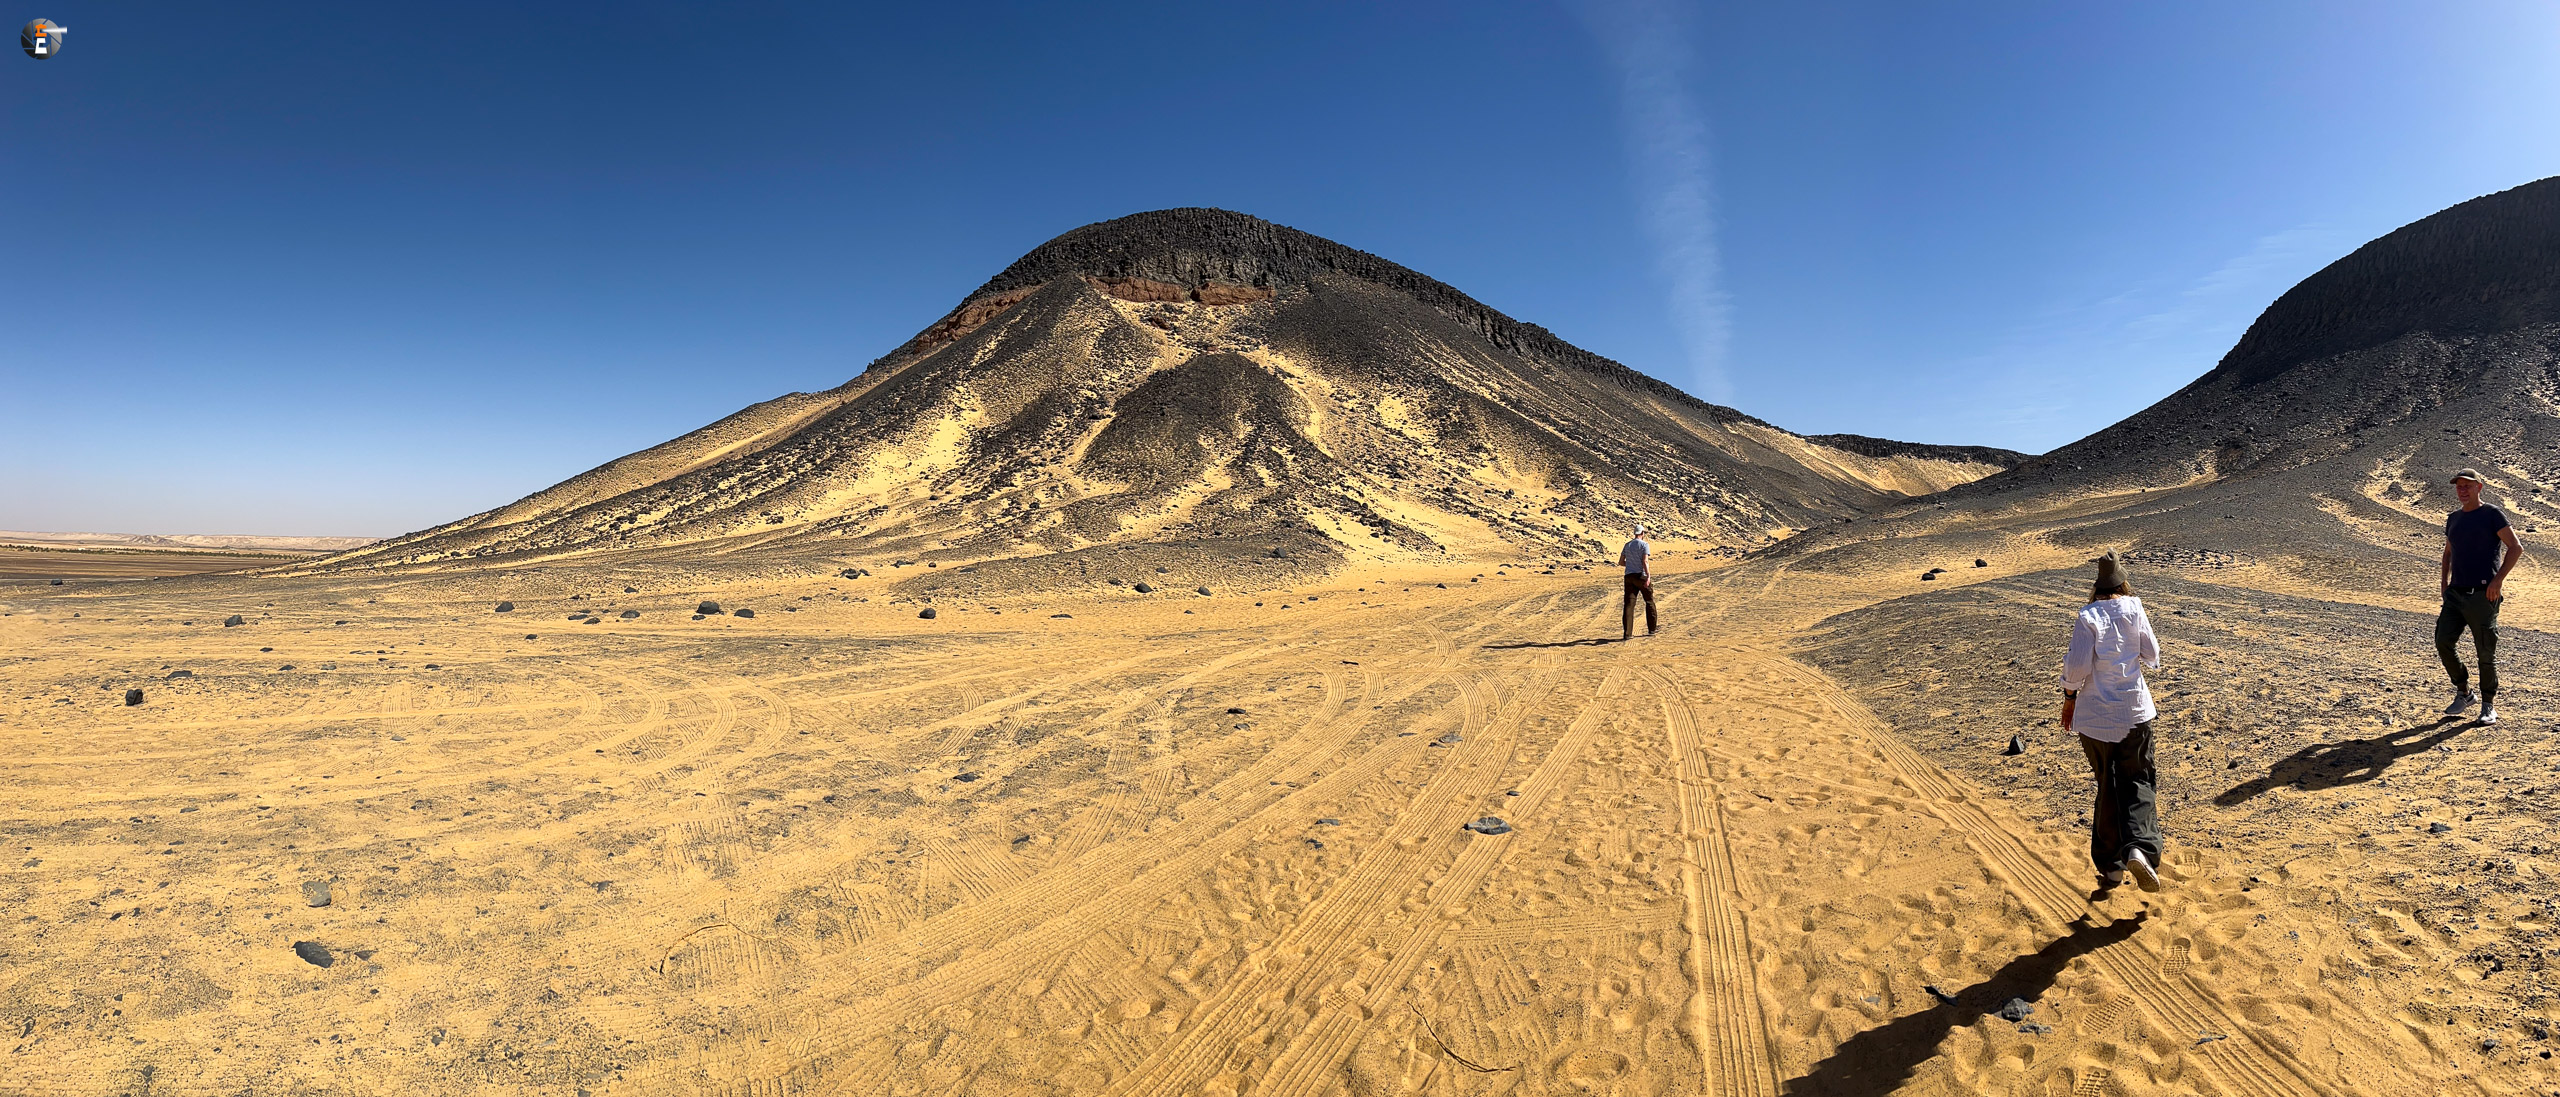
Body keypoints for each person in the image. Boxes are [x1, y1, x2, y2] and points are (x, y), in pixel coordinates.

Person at [2061, 553, 2165, 892]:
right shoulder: (2135, 608)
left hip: (2095, 718)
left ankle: (2112, 868)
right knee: (2138, 780)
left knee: (2107, 784)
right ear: (2122, 583)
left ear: (2099, 587)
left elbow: (2077, 667)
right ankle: (2139, 848)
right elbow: (2152, 654)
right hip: (2134, 712)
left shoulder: (2087, 615)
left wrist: (2069, 698)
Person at [2439, 467, 2524, 725]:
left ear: (2479, 487)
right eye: (2459, 486)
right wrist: (2444, 584)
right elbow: (2448, 553)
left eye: (2467, 485)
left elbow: (2515, 547)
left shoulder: (2492, 514)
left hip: (2483, 595)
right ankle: (2464, 693)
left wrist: (2498, 581)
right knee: (2443, 642)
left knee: (2485, 653)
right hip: (2456, 594)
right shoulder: (2453, 518)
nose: (2462, 490)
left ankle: (2488, 705)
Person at [1618, 523, 1656, 641]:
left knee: (1629, 605)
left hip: (1629, 576)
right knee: (1649, 601)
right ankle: (1652, 629)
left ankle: (1627, 633)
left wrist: (1630, 565)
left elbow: (1621, 562)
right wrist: (1648, 576)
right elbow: (1645, 561)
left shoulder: (1627, 545)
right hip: (1640, 576)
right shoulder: (1644, 545)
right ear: (1642, 533)